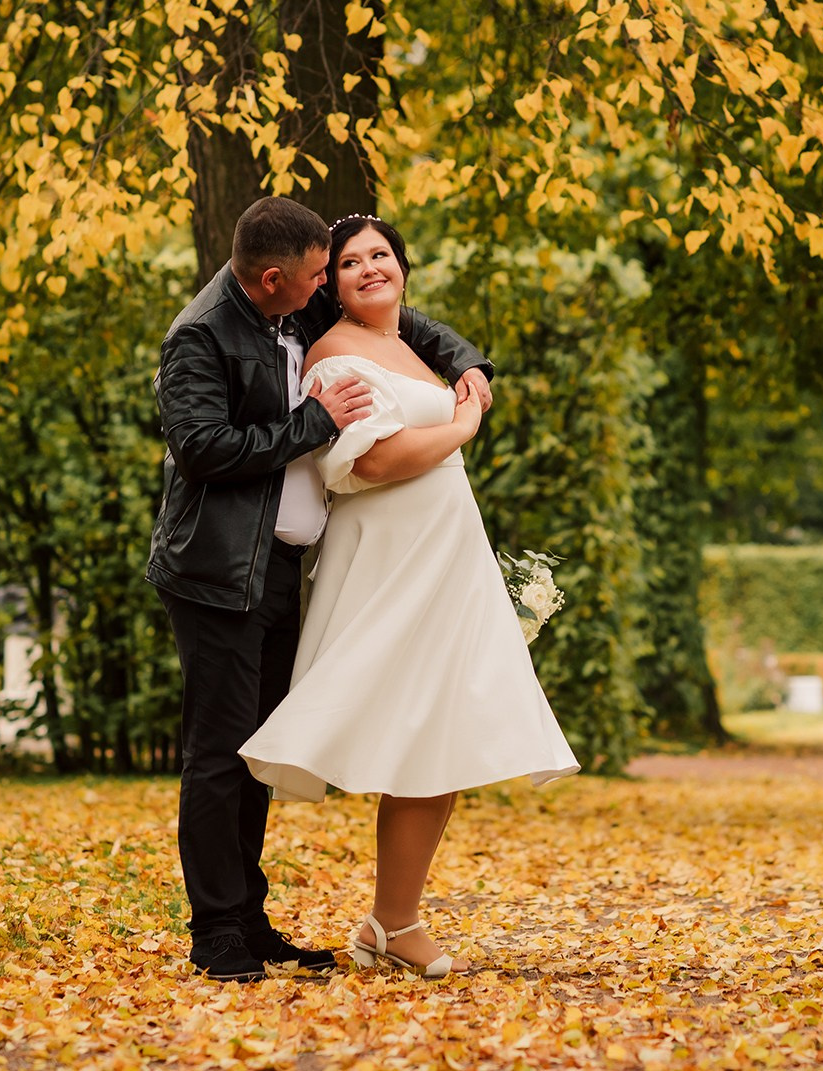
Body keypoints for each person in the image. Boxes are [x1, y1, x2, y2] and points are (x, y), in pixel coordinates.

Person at [146, 196, 495, 983]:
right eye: (316, 279)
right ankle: (217, 932)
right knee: (219, 754)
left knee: (256, 751)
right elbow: (202, 449)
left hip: (277, 567)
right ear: (276, 278)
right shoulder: (200, 336)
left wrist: (467, 360)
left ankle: (251, 915)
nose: (326, 292)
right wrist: (313, 422)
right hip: (216, 571)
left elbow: (404, 323)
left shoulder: (288, 310)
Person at [240, 215, 579, 979]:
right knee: (420, 735)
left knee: (444, 739)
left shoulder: (410, 347)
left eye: (380, 255)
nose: (368, 268)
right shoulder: (333, 359)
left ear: (402, 267)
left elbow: (432, 376)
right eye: (351, 261)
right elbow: (379, 460)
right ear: (329, 282)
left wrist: (463, 379)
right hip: (391, 566)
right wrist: (463, 424)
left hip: (443, 560)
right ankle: (389, 922)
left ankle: (391, 922)